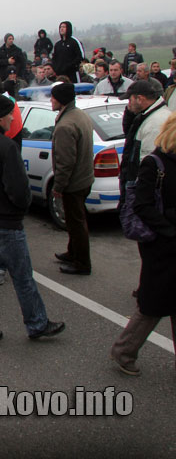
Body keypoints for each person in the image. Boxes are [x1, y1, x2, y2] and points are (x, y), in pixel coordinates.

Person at [0, 94, 65, 348]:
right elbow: (19, 191)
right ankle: (37, 323)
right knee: (22, 276)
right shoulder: (6, 147)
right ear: (2, 117)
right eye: (11, 116)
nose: (13, 120)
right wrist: (19, 210)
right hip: (5, 223)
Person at [110, 112, 176, 375]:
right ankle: (123, 351)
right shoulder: (154, 163)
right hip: (161, 246)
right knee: (152, 305)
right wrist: (168, 228)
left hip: (170, 241)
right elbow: (142, 205)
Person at [50, 82, 95, 275]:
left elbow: (65, 162)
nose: (50, 101)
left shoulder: (66, 126)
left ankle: (82, 263)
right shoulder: (80, 115)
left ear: (60, 100)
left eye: (52, 97)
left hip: (73, 184)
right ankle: (72, 252)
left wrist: (58, 186)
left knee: (76, 223)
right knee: (74, 219)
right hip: (85, 179)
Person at [118, 80, 171, 203]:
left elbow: (148, 165)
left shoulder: (155, 123)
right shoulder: (148, 116)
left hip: (147, 192)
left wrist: (142, 197)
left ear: (140, 99)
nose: (128, 105)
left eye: (130, 100)